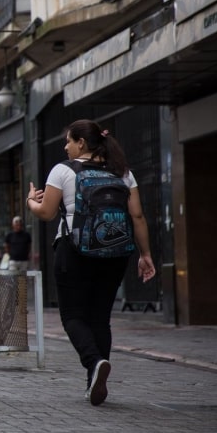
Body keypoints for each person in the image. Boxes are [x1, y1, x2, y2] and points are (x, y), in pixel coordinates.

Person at [27, 119, 155, 407]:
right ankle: (94, 380)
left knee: (72, 316)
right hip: (115, 253)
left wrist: (30, 203)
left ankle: (94, 362)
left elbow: (47, 213)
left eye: (69, 141)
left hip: (74, 251)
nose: (65, 146)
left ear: (81, 143)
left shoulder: (63, 170)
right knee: (100, 318)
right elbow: (137, 217)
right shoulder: (123, 172)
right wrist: (145, 254)